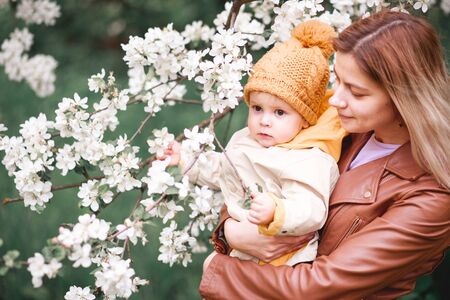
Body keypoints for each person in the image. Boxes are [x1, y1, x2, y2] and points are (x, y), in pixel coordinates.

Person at [199, 11, 450, 299]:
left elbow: (319, 287)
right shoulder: (335, 122)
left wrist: (217, 271)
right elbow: (254, 168)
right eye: (338, 79)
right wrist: (231, 231)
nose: (336, 99)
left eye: (356, 92)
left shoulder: (432, 196)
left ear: (404, 96)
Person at [159, 20, 346, 266]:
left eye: (279, 113)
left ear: (304, 119)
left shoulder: (308, 157)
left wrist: (277, 211)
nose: (265, 121)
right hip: (243, 250)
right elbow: (224, 171)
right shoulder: (246, 140)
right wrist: (185, 160)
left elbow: (310, 207)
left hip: (284, 258)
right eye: (257, 108)